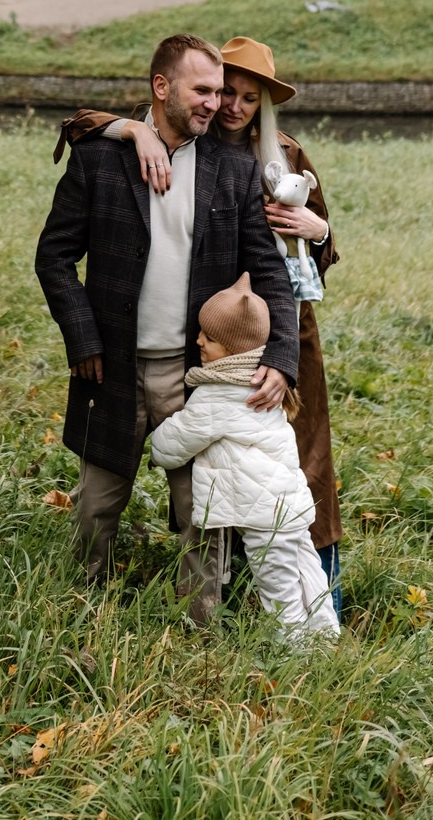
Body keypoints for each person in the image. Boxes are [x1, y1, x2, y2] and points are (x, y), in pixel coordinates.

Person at [54, 35, 344, 616]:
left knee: (215, 498)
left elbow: (274, 268)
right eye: (210, 90)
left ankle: (226, 614)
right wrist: (83, 336)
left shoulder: (255, 162)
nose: (222, 104)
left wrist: (283, 348)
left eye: (233, 94)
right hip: (124, 355)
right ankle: (78, 608)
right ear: (164, 89)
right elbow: (55, 252)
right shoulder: (111, 154)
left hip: (216, 356)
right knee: (99, 496)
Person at [150, 273, 339, 637]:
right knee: (307, 574)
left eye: (210, 338)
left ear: (233, 349)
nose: (198, 341)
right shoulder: (263, 382)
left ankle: (294, 656)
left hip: (262, 518)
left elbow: (172, 445)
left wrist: (155, 446)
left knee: (278, 590)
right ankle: (326, 639)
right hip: (291, 505)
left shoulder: (218, 395)